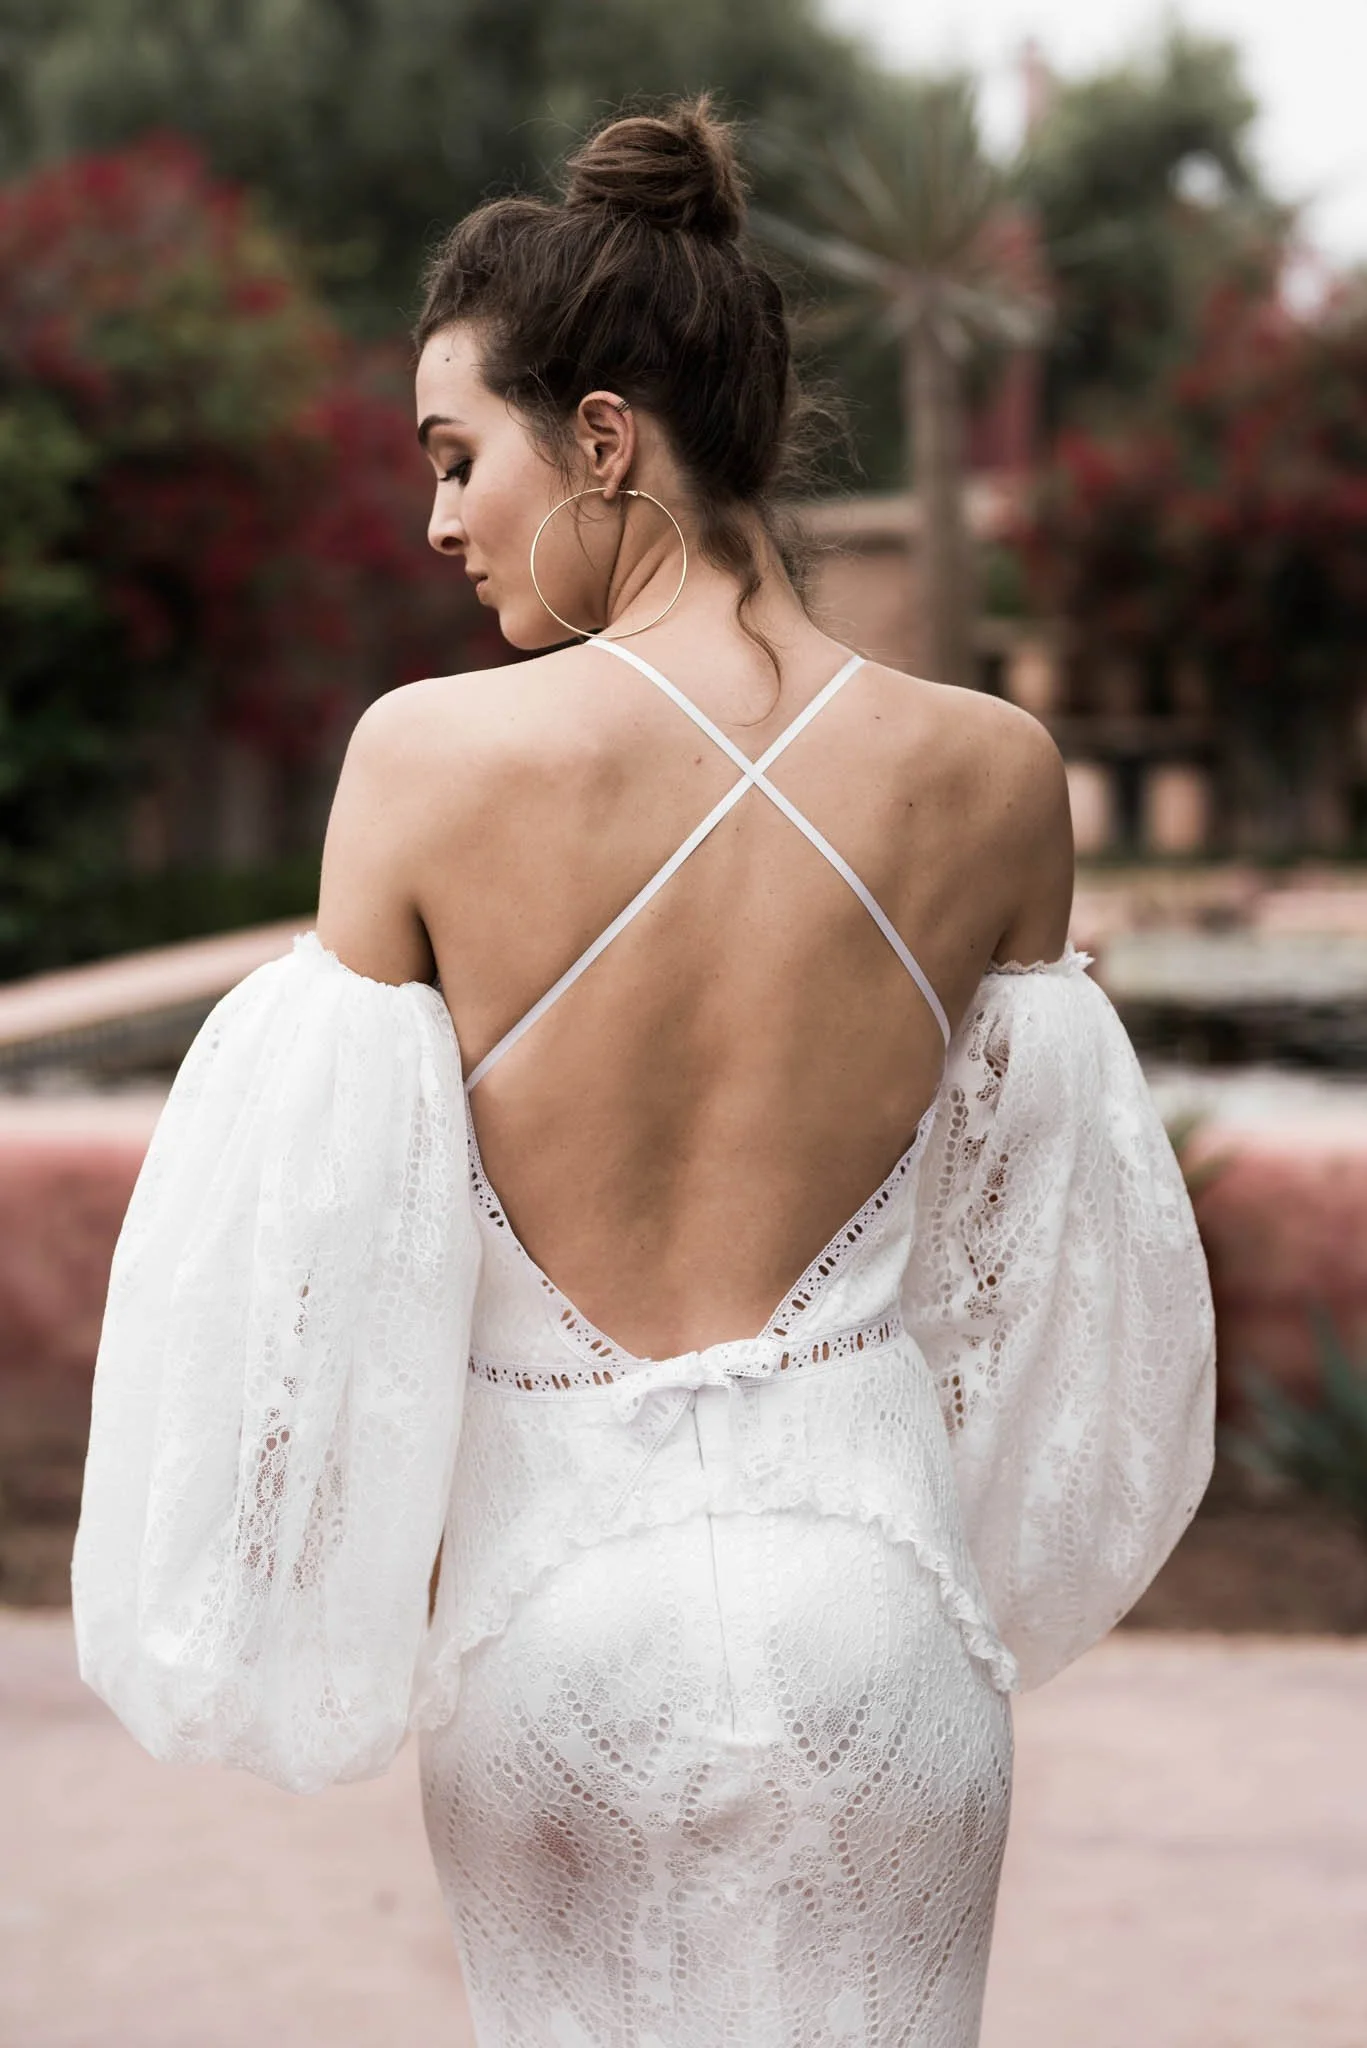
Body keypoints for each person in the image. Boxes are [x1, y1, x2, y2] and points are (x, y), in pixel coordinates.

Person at [72, 96, 1215, 2048]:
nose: (435, 522)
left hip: (549, 1624)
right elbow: (1033, 1302)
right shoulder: (990, 777)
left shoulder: (424, 766)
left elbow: (304, 1299)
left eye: (459, 459)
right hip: (875, 1614)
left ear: (604, 437)